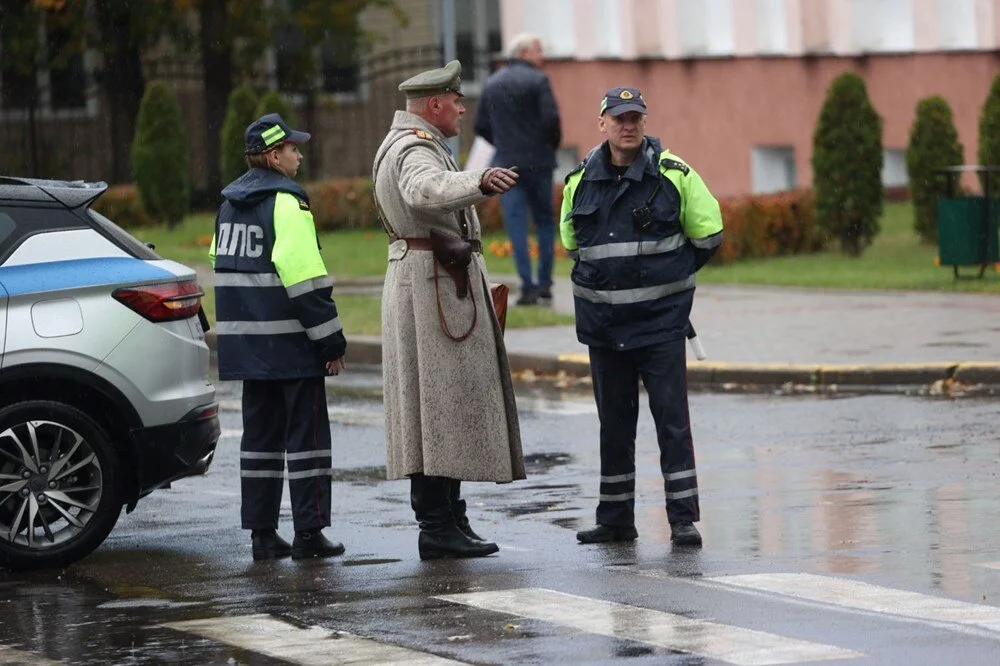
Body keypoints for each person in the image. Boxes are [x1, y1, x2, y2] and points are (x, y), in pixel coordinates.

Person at [372, 60, 526, 560]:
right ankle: (437, 526)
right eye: (456, 100)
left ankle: (448, 519)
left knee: (442, 407)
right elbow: (423, 190)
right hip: (430, 285)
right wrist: (479, 181)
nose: (463, 107)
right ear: (434, 104)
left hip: (432, 280)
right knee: (435, 408)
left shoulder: (414, 142)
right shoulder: (414, 148)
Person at [560, 88, 723, 548]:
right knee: (613, 425)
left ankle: (683, 520)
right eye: (619, 118)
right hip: (604, 330)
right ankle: (614, 520)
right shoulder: (578, 182)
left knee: (671, 423)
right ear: (602, 124)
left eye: (635, 117)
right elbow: (572, 244)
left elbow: (709, 235)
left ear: (645, 122)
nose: (627, 125)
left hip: (659, 326)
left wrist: (669, 279)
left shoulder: (674, 175)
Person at [210, 113, 348, 561]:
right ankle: (310, 533)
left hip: (249, 350)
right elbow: (305, 282)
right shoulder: (287, 203)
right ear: (274, 155)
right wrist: (330, 341)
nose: (299, 154)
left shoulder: (228, 204)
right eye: (292, 148)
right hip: (291, 346)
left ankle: (263, 535)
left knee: (260, 442)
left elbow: (221, 261)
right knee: (306, 441)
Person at [474, 33, 561, 306]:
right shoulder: (539, 80)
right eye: (538, 50)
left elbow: (480, 126)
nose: (542, 56)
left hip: (506, 165)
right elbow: (551, 121)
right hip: (539, 162)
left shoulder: (493, 83)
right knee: (545, 222)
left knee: (516, 225)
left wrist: (503, 144)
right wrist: (548, 146)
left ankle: (527, 286)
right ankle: (545, 283)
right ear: (523, 52)